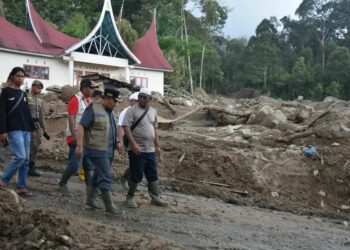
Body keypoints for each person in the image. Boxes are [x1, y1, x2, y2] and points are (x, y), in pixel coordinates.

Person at [75, 88, 123, 214]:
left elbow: (110, 129)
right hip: (97, 149)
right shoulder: (93, 108)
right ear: (107, 98)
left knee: (98, 175)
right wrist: (79, 146)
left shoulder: (109, 111)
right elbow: (81, 126)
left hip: (108, 150)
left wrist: (117, 142)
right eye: (114, 101)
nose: (116, 104)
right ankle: (109, 205)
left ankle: (90, 199)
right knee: (105, 175)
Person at [123, 88, 168, 208]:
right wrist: (133, 144)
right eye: (140, 96)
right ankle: (130, 196)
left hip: (150, 149)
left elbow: (154, 129)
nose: (141, 99)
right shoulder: (131, 111)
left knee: (152, 173)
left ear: (150, 99)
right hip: (137, 148)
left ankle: (155, 197)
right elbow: (126, 127)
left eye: (144, 97)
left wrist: (157, 145)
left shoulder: (153, 111)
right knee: (136, 173)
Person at [0, 67, 36, 196]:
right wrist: (2, 131)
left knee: (26, 160)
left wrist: (32, 129)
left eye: (22, 76)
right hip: (14, 129)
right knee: (20, 157)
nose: (21, 78)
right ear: (12, 77)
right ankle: (4, 179)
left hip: (26, 129)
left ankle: (21, 186)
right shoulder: (6, 92)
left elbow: (27, 113)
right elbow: (2, 112)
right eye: (18, 76)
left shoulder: (23, 94)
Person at [58, 79, 95, 193]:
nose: (93, 90)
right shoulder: (75, 100)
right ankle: (62, 183)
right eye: (91, 87)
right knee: (75, 165)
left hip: (86, 138)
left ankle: (90, 188)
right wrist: (74, 135)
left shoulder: (89, 101)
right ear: (84, 87)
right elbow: (71, 118)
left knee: (88, 164)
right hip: (76, 137)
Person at [117, 92, 139, 190]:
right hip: (129, 141)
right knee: (135, 163)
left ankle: (129, 181)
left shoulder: (141, 112)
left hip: (138, 141)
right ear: (131, 102)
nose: (138, 103)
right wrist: (121, 142)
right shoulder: (126, 112)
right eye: (136, 101)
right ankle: (126, 180)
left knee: (138, 163)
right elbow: (120, 127)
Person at [27, 80, 46, 177]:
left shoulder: (40, 101)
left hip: (38, 126)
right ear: (33, 86)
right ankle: (28, 166)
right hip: (29, 126)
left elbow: (42, 115)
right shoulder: (26, 97)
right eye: (38, 88)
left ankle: (31, 164)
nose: (39, 90)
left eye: (40, 89)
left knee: (36, 145)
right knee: (32, 145)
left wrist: (44, 128)